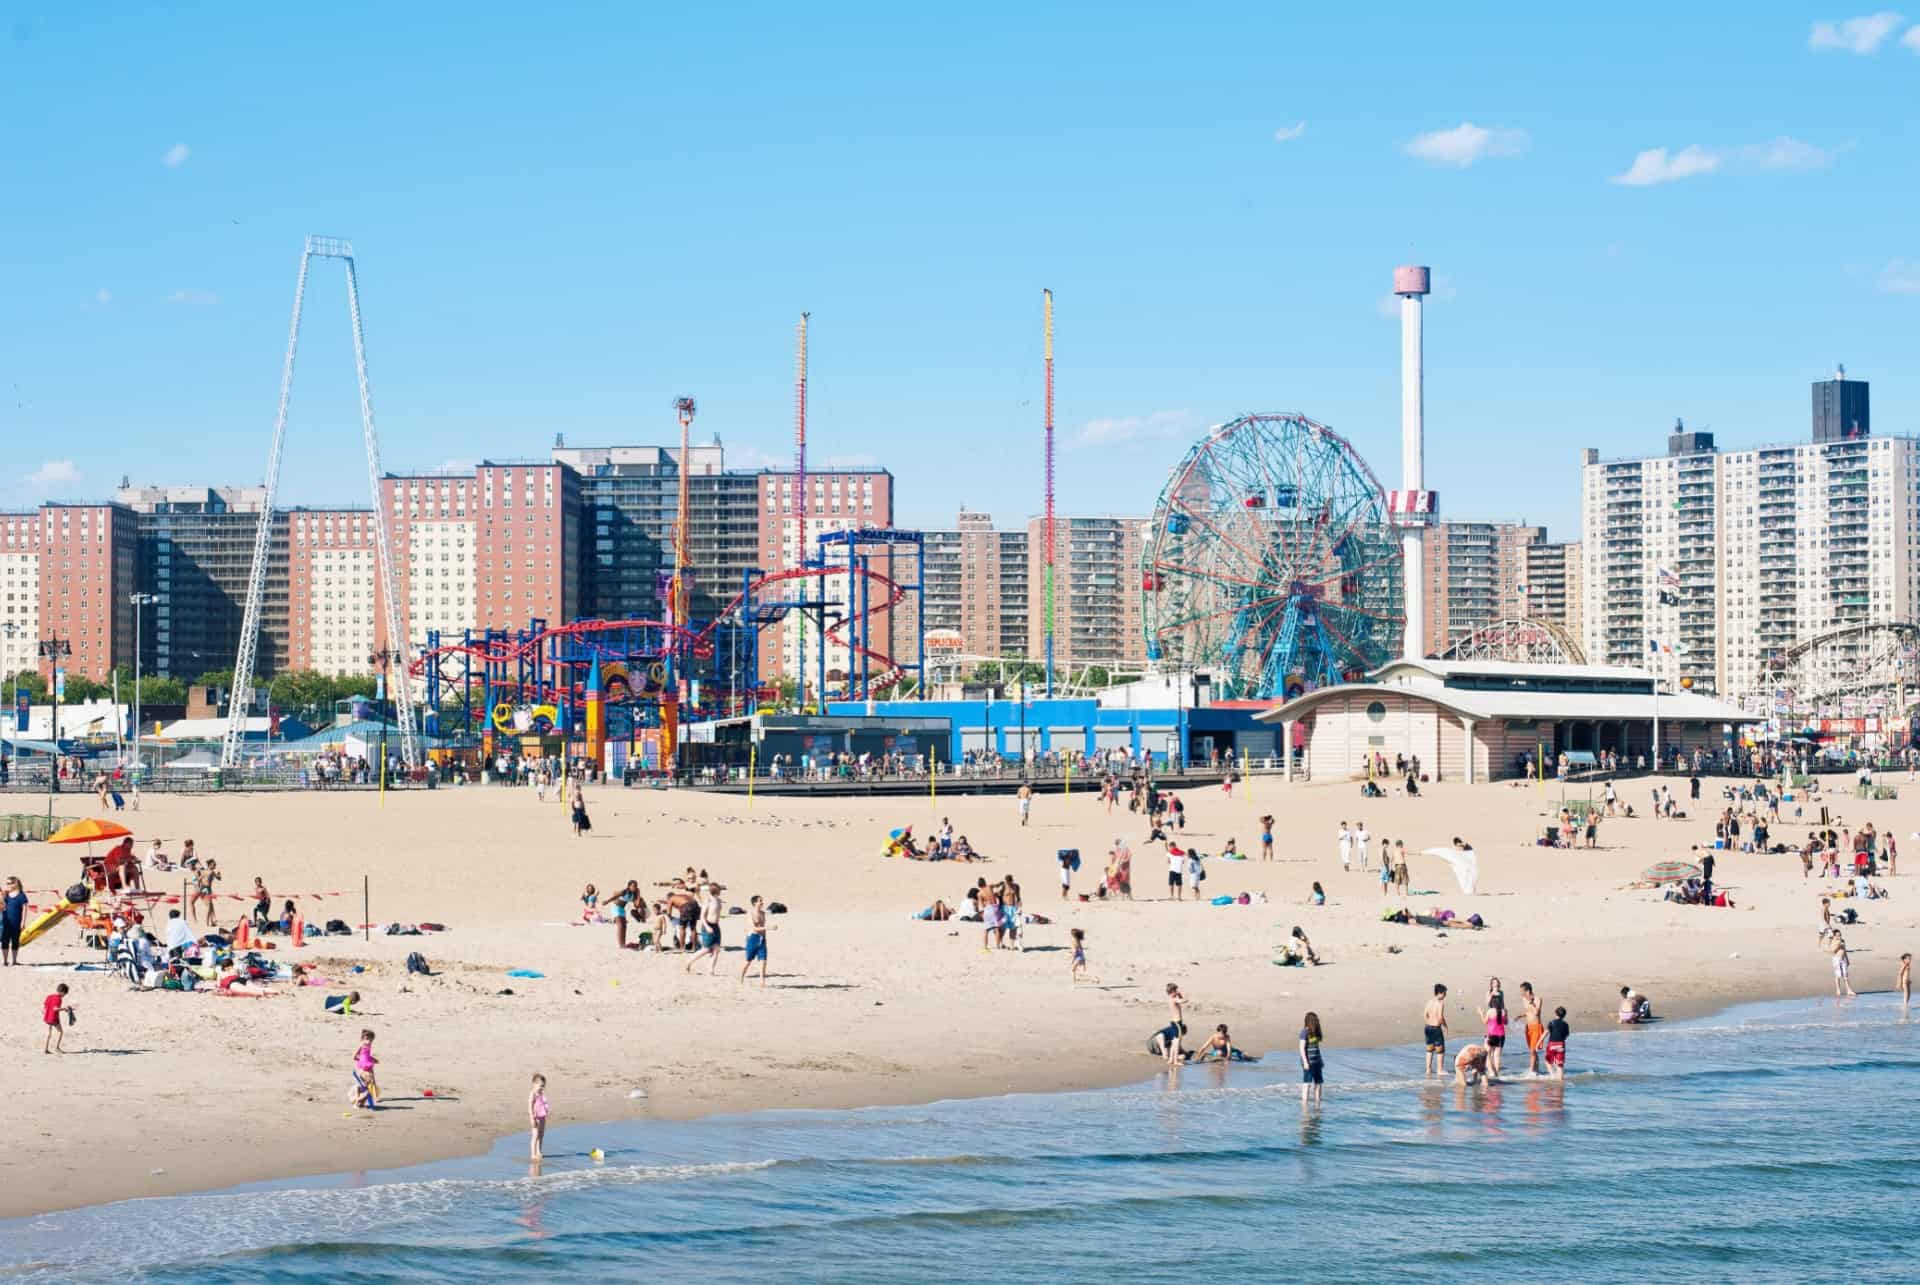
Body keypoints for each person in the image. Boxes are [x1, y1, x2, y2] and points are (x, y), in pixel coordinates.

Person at [685, 882, 724, 974]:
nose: (720, 891)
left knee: (716, 948)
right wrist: (707, 927)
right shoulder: (708, 900)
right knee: (706, 949)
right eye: (719, 889)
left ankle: (711, 970)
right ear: (715, 890)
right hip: (708, 925)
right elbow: (702, 916)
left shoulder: (718, 900)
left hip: (716, 926)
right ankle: (688, 962)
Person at [741, 895, 770, 986]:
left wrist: (764, 935)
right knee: (748, 961)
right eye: (760, 901)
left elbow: (762, 926)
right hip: (753, 938)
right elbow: (754, 927)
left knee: (763, 960)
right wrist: (768, 928)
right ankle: (741, 976)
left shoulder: (763, 913)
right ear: (754, 903)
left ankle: (762, 981)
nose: (762, 902)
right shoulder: (750, 913)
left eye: (762, 900)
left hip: (762, 939)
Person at [1480, 988, 1508, 1081]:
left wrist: (1480, 1013)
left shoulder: (1490, 1011)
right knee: (1497, 1056)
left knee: (1487, 1054)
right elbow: (1506, 1022)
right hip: (1501, 1035)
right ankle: (1496, 1073)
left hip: (1491, 1035)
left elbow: (1484, 1022)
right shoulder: (1504, 1011)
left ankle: (1491, 1071)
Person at [1520, 982, 1546, 1076]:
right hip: (1528, 1027)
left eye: (1522, 991)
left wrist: (1532, 1002)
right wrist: (1520, 1016)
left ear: (1528, 991)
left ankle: (1531, 1071)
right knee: (1532, 1050)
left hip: (1536, 1026)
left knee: (1532, 1050)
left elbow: (1536, 1013)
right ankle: (1536, 1070)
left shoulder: (1538, 999)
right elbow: (1528, 1012)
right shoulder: (1523, 999)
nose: (1521, 993)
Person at [1299, 1012, 1325, 1103]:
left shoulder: (1316, 1033)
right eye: (1316, 1021)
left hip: (1317, 1062)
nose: (1318, 1022)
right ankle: (1304, 1104)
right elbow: (1302, 1049)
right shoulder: (1304, 1032)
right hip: (1308, 1063)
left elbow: (1317, 1048)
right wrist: (1305, 1062)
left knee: (1319, 1083)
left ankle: (1317, 1103)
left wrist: (1321, 1060)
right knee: (1307, 1084)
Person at [1, 875, 26, 966]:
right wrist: (3, 897)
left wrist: (23, 922)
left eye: (9, 883)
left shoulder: (21, 896)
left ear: (15, 884)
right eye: (6, 883)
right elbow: (2, 907)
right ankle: (5, 961)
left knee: (15, 941)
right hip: (6, 923)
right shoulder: (6, 896)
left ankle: (14, 961)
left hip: (16, 923)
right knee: (5, 941)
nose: (7, 885)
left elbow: (24, 910)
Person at [1423, 984, 1448, 1076]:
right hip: (1436, 1028)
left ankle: (1428, 1069)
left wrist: (1428, 1022)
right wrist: (1445, 1026)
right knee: (1440, 1049)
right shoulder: (1440, 1003)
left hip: (1428, 1027)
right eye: (1444, 993)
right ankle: (1439, 1069)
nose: (1445, 995)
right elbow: (1441, 1017)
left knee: (1429, 1048)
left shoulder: (1429, 1002)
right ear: (1440, 993)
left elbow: (1425, 1014)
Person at [43, 982, 73, 1054]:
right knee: (60, 1032)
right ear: (62, 992)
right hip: (54, 1018)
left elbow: (45, 1006)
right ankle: (57, 1048)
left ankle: (46, 1049)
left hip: (47, 1017)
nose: (64, 995)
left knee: (49, 1033)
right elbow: (55, 1008)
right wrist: (64, 1009)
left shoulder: (49, 996)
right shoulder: (58, 999)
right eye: (65, 994)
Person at [353, 1029, 380, 1108]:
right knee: (365, 1083)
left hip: (368, 1064)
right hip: (364, 1066)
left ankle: (374, 1096)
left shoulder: (368, 1045)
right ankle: (359, 1099)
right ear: (363, 1039)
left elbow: (367, 1056)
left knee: (372, 1081)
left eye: (371, 1040)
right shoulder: (362, 1045)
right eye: (367, 1039)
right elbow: (354, 1056)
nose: (369, 1041)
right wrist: (362, 1062)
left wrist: (373, 1059)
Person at [1544, 1007, 1570, 1080]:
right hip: (1561, 1045)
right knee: (1560, 1065)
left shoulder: (1552, 1022)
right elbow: (1567, 1034)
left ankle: (1552, 1075)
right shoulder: (1565, 1024)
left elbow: (1545, 1033)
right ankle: (1560, 1082)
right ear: (1564, 1015)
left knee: (1547, 1061)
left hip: (1552, 1044)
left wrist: (1539, 1042)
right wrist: (1563, 1039)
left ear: (1555, 1013)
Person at [528, 1073, 549, 1160]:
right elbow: (530, 1106)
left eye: (543, 1086)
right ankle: (533, 1154)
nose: (542, 1088)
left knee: (541, 1134)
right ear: (534, 1084)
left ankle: (539, 1151)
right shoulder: (533, 1094)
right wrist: (532, 1118)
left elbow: (543, 1104)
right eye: (540, 1086)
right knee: (535, 1135)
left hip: (542, 1116)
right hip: (535, 1117)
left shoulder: (541, 1094)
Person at [1831, 933, 1857, 998]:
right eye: (1838, 935)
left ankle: (1848, 990)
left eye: (1840, 935)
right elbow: (1833, 951)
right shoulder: (1833, 941)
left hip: (1843, 959)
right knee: (1838, 975)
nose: (1839, 936)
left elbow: (1844, 951)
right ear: (1834, 936)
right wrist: (1838, 945)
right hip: (1837, 959)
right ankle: (1838, 990)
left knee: (1846, 975)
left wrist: (1847, 959)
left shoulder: (1842, 941)